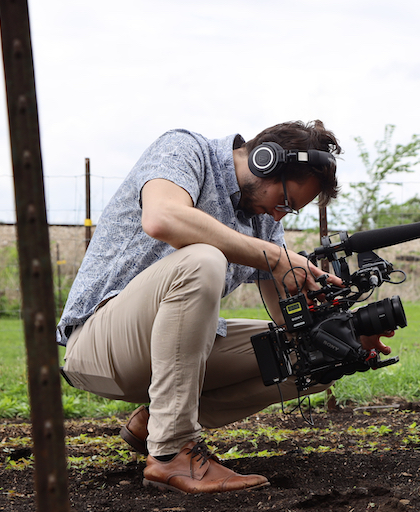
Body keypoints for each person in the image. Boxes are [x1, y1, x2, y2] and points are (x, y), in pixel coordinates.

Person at [56, 120, 391, 494]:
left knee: (316, 356)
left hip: (175, 356)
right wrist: (275, 257)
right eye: (284, 202)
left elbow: (287, 321)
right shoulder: (185, 150)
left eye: (290, 212)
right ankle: (171, 452)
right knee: (202, 260)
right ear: (265, 160)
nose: (279, 216)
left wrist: (347, 332)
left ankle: (155, 423)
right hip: (100, 344)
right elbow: (161, 217)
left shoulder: (264, 223)